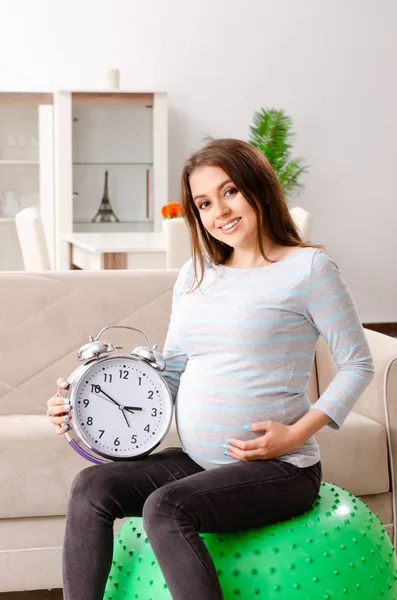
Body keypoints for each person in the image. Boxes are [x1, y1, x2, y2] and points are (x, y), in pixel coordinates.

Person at [47, 139, 374, 600]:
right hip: (200, 461)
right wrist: (87, 408)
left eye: (230, 191)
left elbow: (358, 363)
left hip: (281, 468)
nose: (219, 210)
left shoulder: (309, 269)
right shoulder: (195, 274)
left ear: (259, 187)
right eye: (203, 203)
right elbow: (173, 371)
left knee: (166, 509)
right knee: (91, 487)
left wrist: (295, 435)